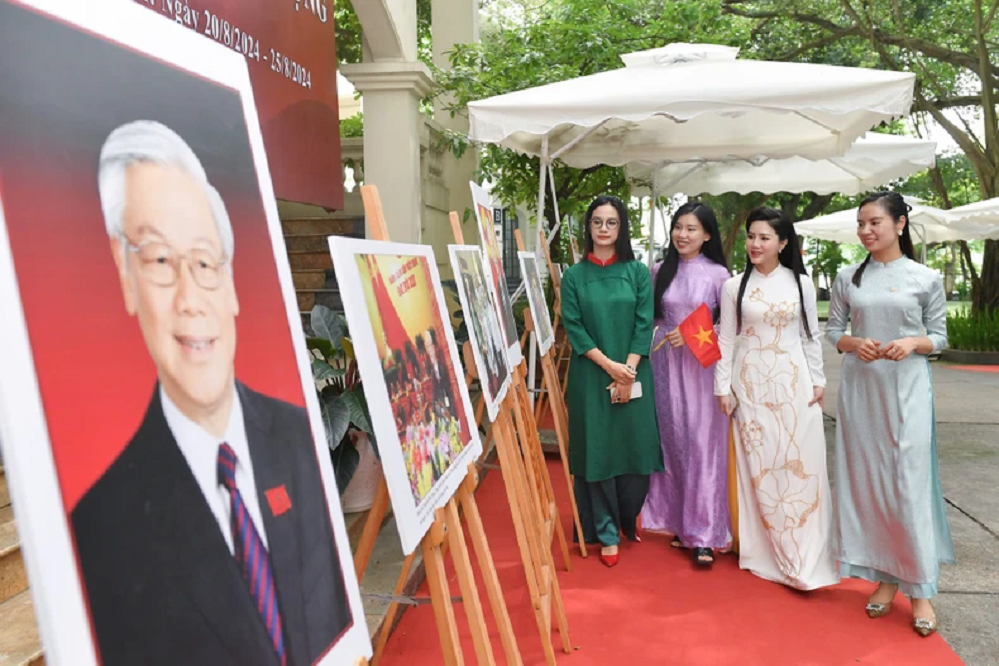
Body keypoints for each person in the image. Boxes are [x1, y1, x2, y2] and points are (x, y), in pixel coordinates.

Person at [71, 120, 352, 665]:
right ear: (126, 278)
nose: (190, 299)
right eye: (159, 260)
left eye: (204, 262)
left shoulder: (303, 443)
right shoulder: (102, 529)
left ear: (232, 282)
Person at [826, 191, 954, 637]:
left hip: (907, 391)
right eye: (861, 224)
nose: (866, 231)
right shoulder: (848, 277)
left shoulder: (925, 277)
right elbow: (834, 331)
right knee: (871, 485)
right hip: (861, 391)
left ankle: (920, 589)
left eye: (874, 222)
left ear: (900, 224)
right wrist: (853, 343)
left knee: (908, 485)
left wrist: (913, 342)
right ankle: (885, 577)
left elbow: (939, 337)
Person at [714, 206, 837, 590]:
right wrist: (722, 387)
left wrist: (818, 381)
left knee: (800, 462)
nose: (755, 243)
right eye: (751, 236)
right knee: (760, 465)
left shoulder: (801, 283)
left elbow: (810, 337)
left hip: (794, 383)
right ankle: (768, 551)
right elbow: (726, 339)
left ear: (783, 243)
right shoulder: (734, 286)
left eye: (764, 237)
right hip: (750, 386)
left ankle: (805, 553)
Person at [560, 195, 664, 568]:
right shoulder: (574, 277)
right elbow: (574, 327)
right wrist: (609, 367)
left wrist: (627, 370)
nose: (603, 229)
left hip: (634, 372)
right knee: (597, 452)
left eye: (611, 222)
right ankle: (605, 531)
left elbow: (644, 322)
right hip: (591, 375)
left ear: (621, 228)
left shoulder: (637, 272)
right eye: (597, 222)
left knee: (636, 450)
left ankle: (626, 516)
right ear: (588, 227)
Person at [641, 202, 731, 566]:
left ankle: (705, 534)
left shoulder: (719, 275)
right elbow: (650, 318)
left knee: (701, 444)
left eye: (691, 228)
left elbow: (731, 327)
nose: (683, 234)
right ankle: (679, 522)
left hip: (701, 368)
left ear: (707, 234)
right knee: (673, 442)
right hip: (664, 365)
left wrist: (691, 333)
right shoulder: (659, 270)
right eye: (678, 227)